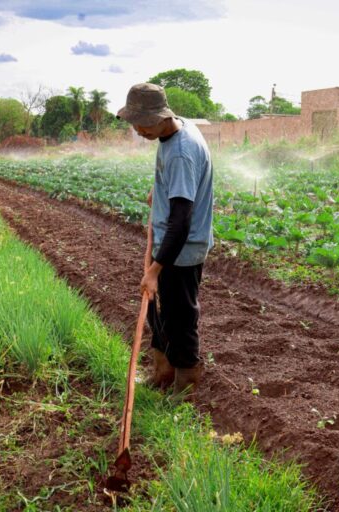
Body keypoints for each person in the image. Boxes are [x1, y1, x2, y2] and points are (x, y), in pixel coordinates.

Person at [116, 83, 214, 401]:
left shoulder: (182, 153)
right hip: (169, 243)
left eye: (143, 123)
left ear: (161, 117)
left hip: (182, 249)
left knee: (180, 318)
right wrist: (158, 192)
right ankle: (163, 372)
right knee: (159, 313)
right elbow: (177, 187)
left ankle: (185, 384)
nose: (138, 130)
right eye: (135, 123)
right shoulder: (173, 130)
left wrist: (155, 270)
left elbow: (181, 222)